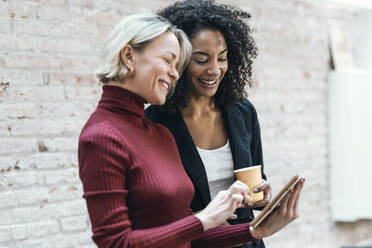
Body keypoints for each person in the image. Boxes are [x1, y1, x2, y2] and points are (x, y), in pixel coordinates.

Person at [78, 13, 305, 248]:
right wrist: (205, 218)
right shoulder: (101, 137)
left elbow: (187, 231)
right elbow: (115, 243)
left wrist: (254, 231)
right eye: (168, 61)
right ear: (128, 56)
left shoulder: (158, 134)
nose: (176, 73)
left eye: (177, 65)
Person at [145, 1, 271, 247]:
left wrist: (262, 196)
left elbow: (256, 179)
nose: (215, 70)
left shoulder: (242, 112)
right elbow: (154, 209)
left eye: (222, 58)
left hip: (247, 242)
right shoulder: (154, 124)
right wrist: (204, 220)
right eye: (201, 60)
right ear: (177, 60)